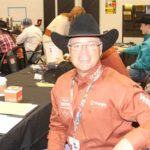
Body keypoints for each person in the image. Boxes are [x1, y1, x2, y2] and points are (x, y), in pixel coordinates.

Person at [47, 13, 150, 150]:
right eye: (77, 45)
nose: (83, 52)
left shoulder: (120, 87)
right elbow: (57, 127)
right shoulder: (61, 84)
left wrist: (129, 143)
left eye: (91, 45)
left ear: (100, 49)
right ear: (69, 51)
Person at [118, 14, 150, 83]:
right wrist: (124, 49)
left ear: (148, 26)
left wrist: (132, 66)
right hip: (145, 71)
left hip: (145, 73)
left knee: (119, 74)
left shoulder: (148, 43)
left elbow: (144, 64)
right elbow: (140, 48)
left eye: (141, 25)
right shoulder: (147, 40)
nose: (140, 28)